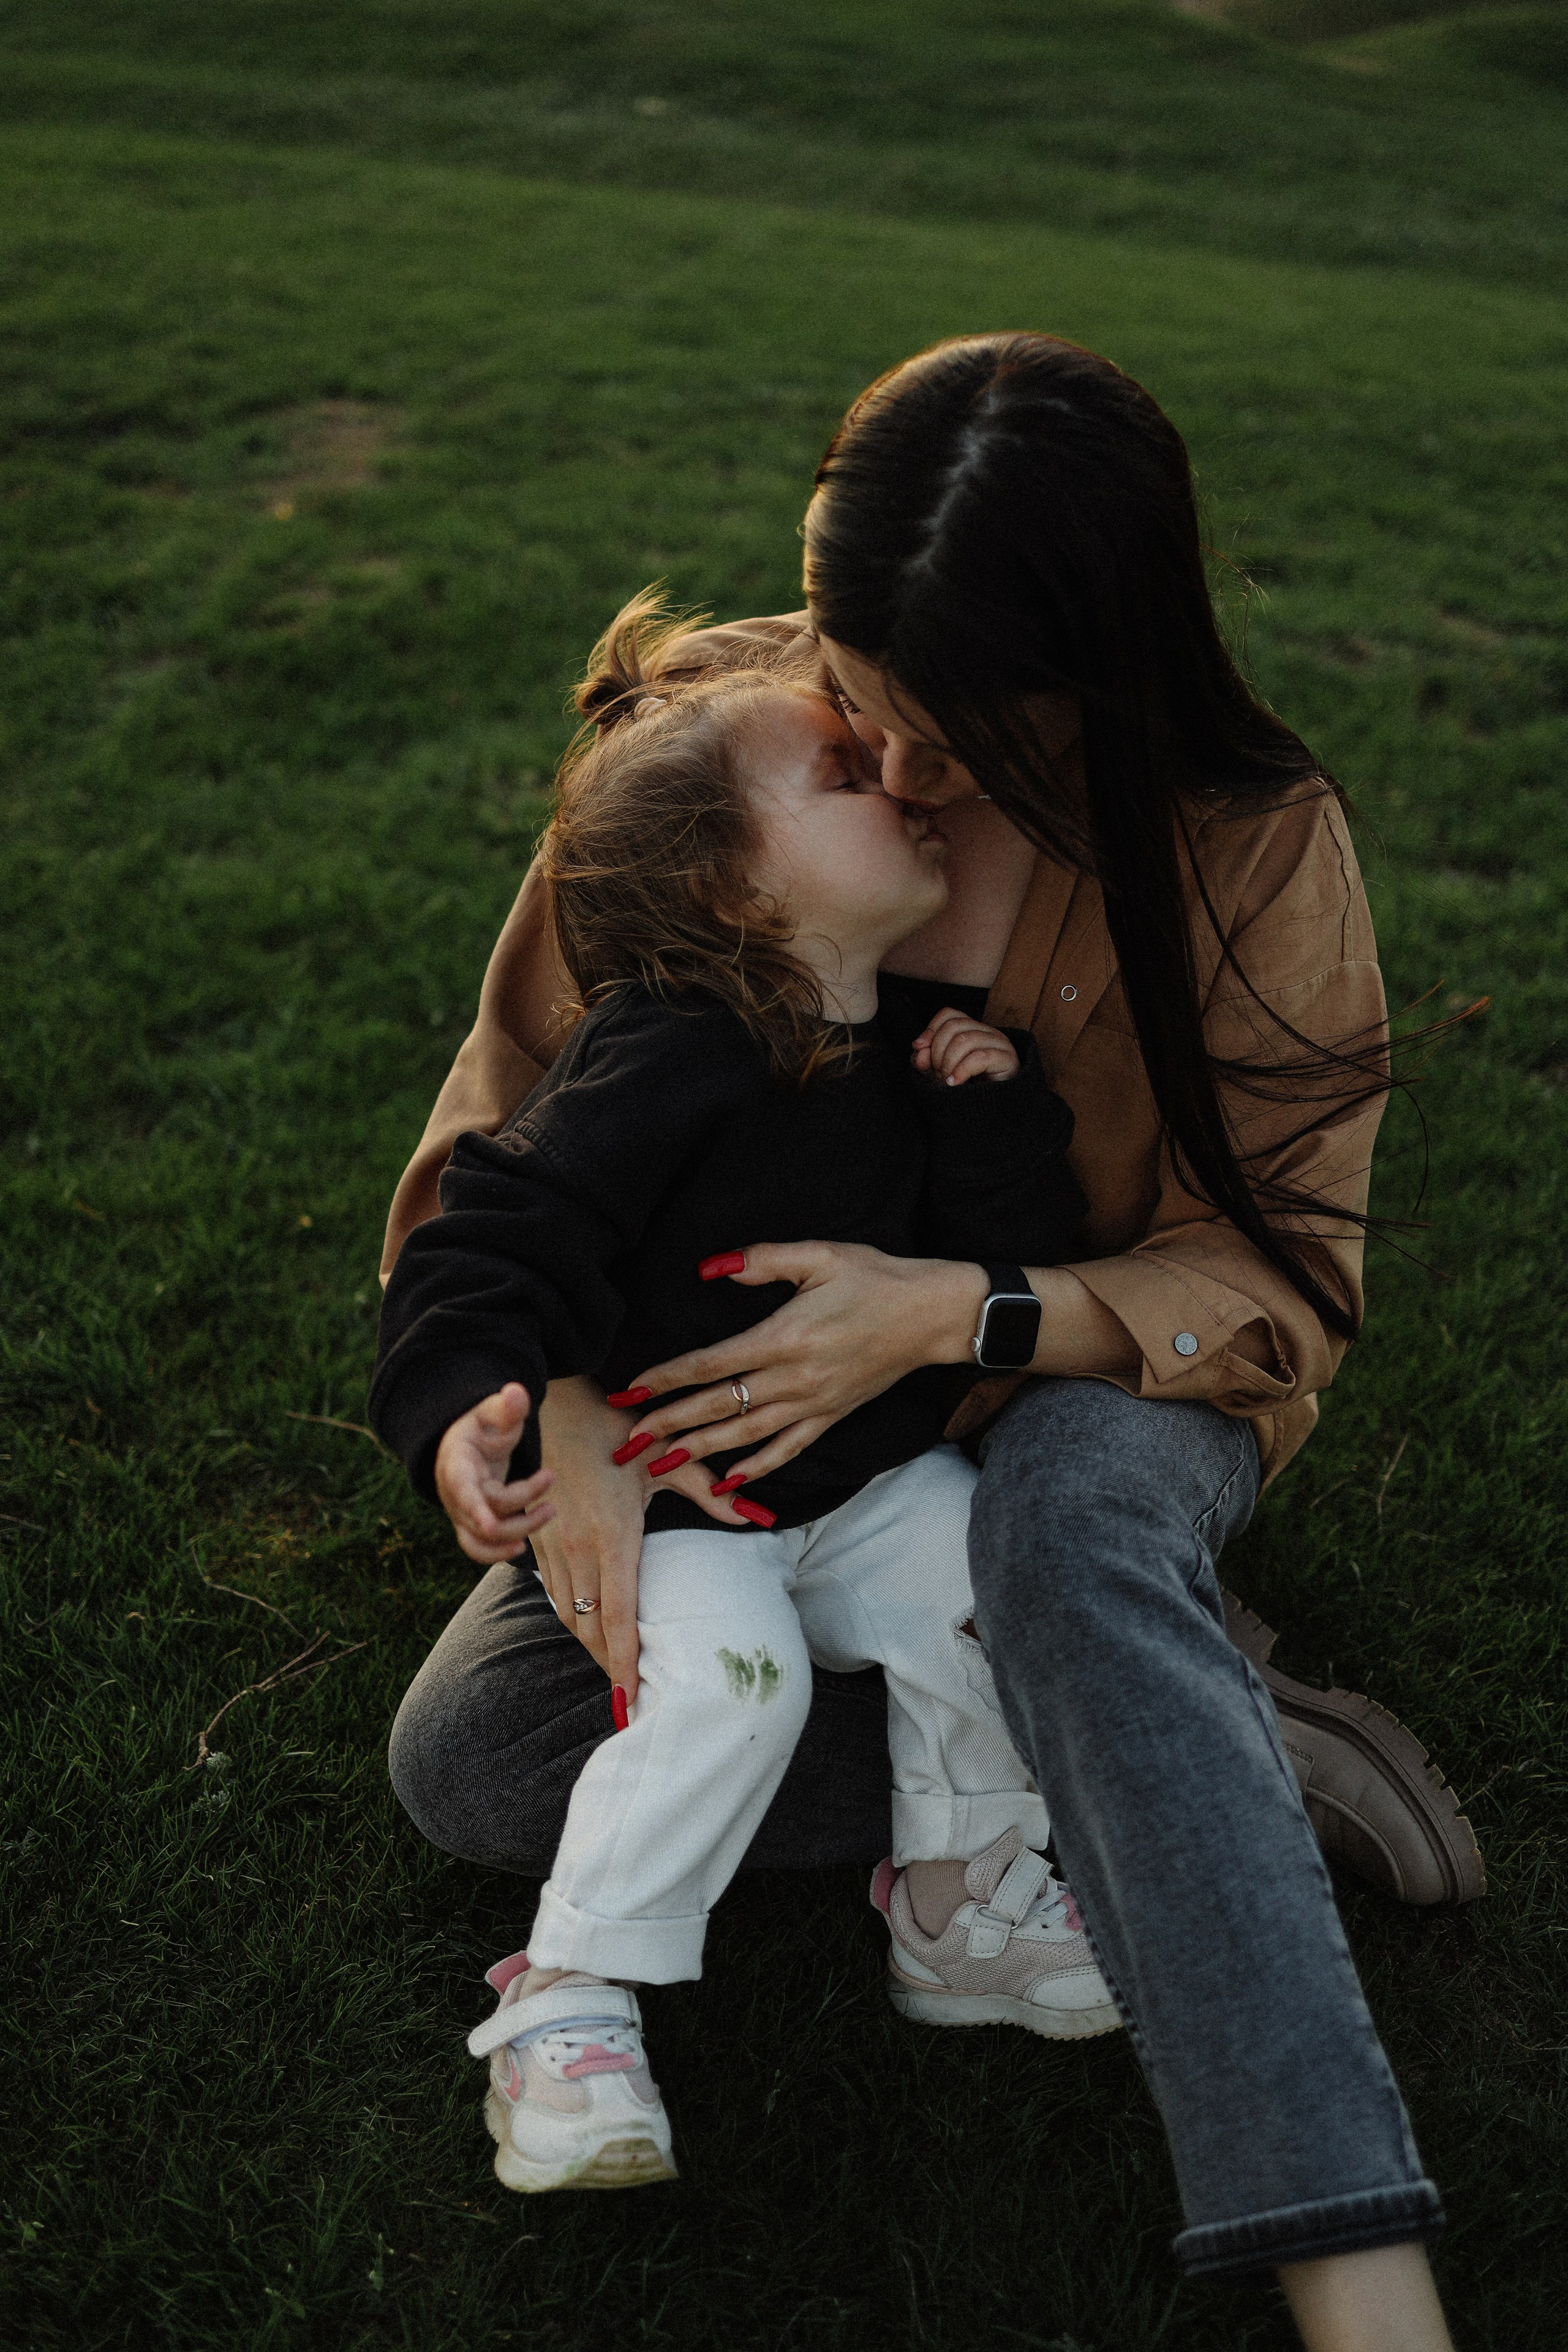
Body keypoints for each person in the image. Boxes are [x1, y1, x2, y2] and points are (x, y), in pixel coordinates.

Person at [381, 336, 1477, 2348]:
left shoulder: (1248, 842)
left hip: (1088, 1369)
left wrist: (954, 1311)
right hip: (742, 1456)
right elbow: (502, 1147)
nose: (890, 771)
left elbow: (1284, 1274)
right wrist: (580, 1408)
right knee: (477, 1760)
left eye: (953, 735)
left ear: (1095, 676)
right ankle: (1178, 1749)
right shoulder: (711, 768)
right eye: (857, 709)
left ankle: (1358, 2275)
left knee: (1056, 1550)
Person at [370, 605, 1117, 2196]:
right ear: (735, 885)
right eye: (847, 774)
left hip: (872, 1486)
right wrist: (471, 1401)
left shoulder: (912, 1044)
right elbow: (507, 1222)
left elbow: (1011, 1254)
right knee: (733, 1694)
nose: (906, 788)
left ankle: (954, 1904)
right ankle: (570, 2000)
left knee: (982, 1599)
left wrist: (993, 1118)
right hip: (692, 1487)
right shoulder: (668, 1053)